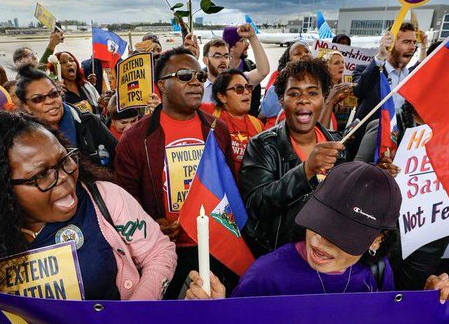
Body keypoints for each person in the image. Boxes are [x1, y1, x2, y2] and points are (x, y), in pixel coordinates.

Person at [0, 112, 176, 300]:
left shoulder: (106, 198)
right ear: (0, 189)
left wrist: (132, 316)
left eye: (65, 160)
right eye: (41, 175)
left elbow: (158, 253)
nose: (63, 176)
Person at [186, 161, 449, 303]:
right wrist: (216, 315)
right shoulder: (264, 278)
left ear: (377, 239)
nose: (320, 241)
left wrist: (433, 305)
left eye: (341, 234)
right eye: (318, 223)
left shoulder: (379, 272)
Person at [114, 47, 235, 298]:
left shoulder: (218, 129)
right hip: (166, 252)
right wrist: (152, 224)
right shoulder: (136, 139)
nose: (195, 83)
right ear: (161, 85)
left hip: (216, 246)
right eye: (183, 76)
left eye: (200, 76)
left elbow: (230, 186)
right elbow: (125, 202)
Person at [239, 58, 346, 257]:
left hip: (328, 256)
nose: (303, 100)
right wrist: (305, 171)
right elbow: (256, 205)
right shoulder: (262, 145)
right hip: (279, 256)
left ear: (324, 98)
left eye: (313, 93)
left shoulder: (339, 145)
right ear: (282, 100)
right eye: (294, 93)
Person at [14, 65, 116, 168]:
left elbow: (119, 157)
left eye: (53, 94)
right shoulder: (21, 141)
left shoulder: (90, 123)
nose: (50, 101)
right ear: (26, 106)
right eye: (38, 99)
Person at [349, 23, 418, 158]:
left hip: (400, 150)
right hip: (369, 150)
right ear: (390, 44)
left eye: (414, 42)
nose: (412, 47)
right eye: (406, 42)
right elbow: (360, 90)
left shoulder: (412, 76)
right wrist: (380, 56)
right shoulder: (366, 70)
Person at [211, 69, 263, 173]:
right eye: (239, 88)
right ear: (222, 97)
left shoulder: (258, 124)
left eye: (248, 87)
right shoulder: (211, 119)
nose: (246, 92)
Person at [259, 42, 312, 128]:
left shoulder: (317, 78)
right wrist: (284, 80)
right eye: (298, 53)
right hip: (278, 133)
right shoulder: (278, 76)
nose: (304, 55)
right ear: (288, 60)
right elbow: (267, 110)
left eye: (307, 51)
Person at [222, 25, 271, 116]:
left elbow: (263, 71)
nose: (247, 44)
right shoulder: (218, 72)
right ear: (231, 47)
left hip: (248, 124)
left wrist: (252, 37)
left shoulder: (250, 66)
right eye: (242, 40)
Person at [318, 50, 354, 131]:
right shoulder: (320, 92)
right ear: (326, 68)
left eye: (342, 62)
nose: (342, 66)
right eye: (336, 63)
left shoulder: (348, 90)